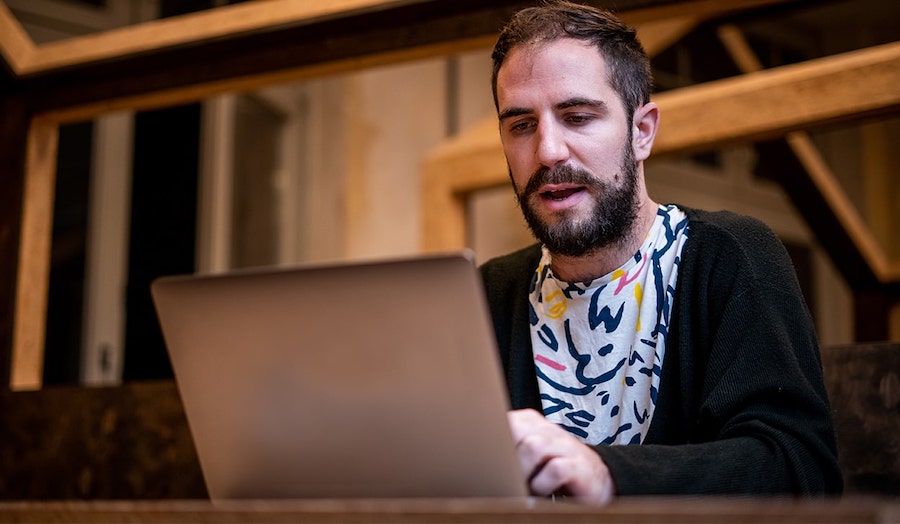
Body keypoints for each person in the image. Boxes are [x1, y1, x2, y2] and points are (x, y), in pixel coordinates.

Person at [479, 0, 843, 505]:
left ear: (642, 131)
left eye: (577, 117)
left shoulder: (732, 258)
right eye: (521, 125)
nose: (548, 152)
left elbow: (799, 468)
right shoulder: (487, 295)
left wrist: (607, 474)